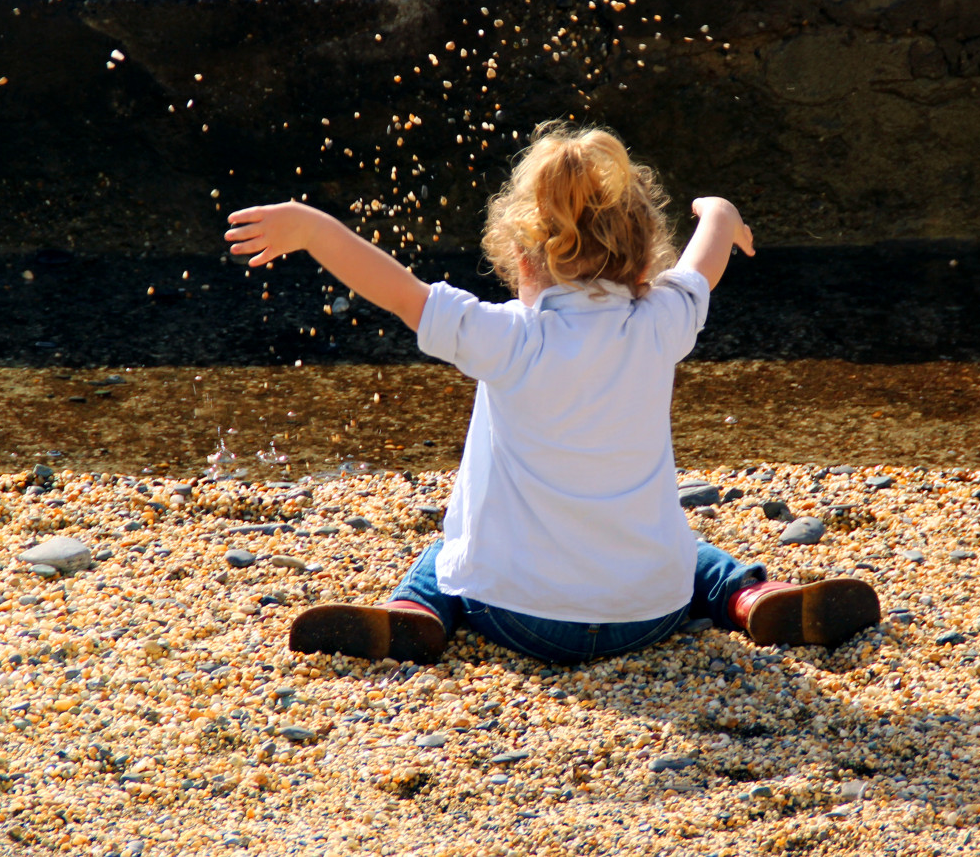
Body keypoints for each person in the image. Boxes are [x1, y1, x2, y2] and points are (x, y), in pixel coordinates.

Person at [223, 122, 880, 665]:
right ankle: (750, 597)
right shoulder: (659, 323)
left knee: (445, 555)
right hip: (645, 615)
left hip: (520, 618)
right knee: (694, 557)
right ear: (642, 259)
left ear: (522, 257)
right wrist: (721, 213)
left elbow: (398, 290)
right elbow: (702, 266)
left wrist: (310, 228)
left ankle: (414, 611)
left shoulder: (508, 338)